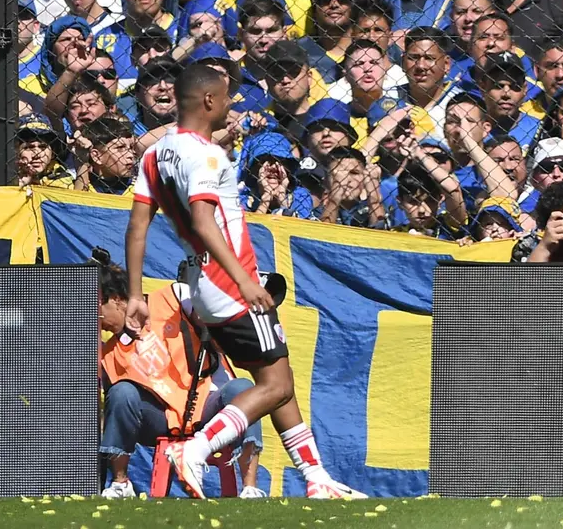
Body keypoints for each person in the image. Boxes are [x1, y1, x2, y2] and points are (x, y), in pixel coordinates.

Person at [124, 63, 364, 499]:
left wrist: (135, 294)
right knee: (276, 385)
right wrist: (245, 281)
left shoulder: (156, 154)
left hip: (200, 284)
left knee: (277, 379)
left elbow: (138, 226)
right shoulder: (207, 156)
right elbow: (203, 220)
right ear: (209, 101)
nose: (233, 102)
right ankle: (196, 449)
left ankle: (316, 479)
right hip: (230, 282)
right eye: (228, 95)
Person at [96, 249, 266, 499]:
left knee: (243, 389)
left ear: (118, 299)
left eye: (96, 307)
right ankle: (121, 484)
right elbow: (113, 411)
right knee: (121, 393)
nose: (96, 318)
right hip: (159, 419)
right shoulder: (107, 352)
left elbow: (217, 327)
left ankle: (250, 488)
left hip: (208, 405)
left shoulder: (172, 297)